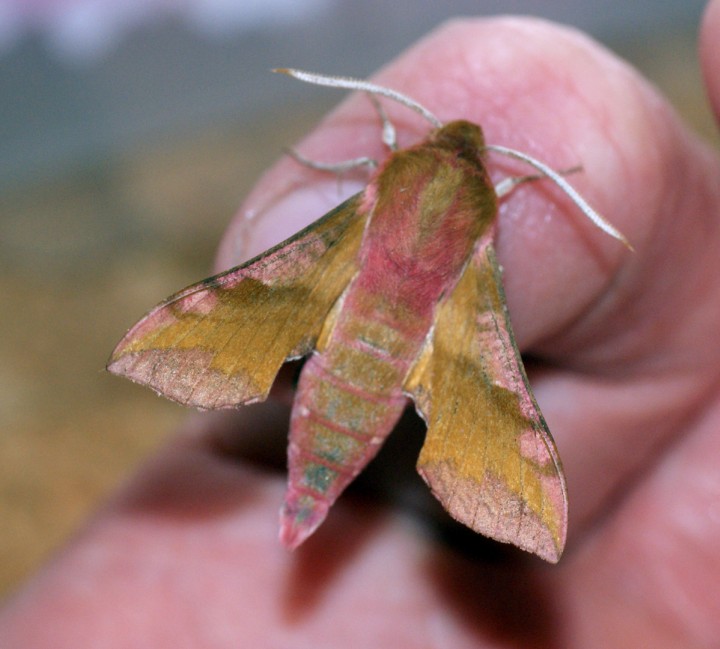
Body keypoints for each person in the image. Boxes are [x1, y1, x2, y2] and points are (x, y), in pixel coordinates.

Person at [3, 5, 720, 647]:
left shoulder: (382, 175)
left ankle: (303, 503)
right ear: (493, 201)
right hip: (388, 402)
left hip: (337, 372)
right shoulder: (482, 226)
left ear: (382, 171)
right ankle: (311, 505)